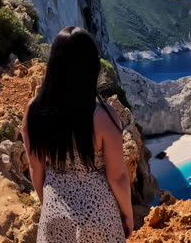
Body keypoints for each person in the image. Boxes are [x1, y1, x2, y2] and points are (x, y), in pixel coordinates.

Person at [21, 26, 133, 242]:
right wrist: (127, 214)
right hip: (100, 217)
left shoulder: (34, 110)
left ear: (53, 64)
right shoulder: (103, 116)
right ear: (91, 67)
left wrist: (49, 206)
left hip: (55, 212)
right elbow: (117, 176)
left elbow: (36, 167)